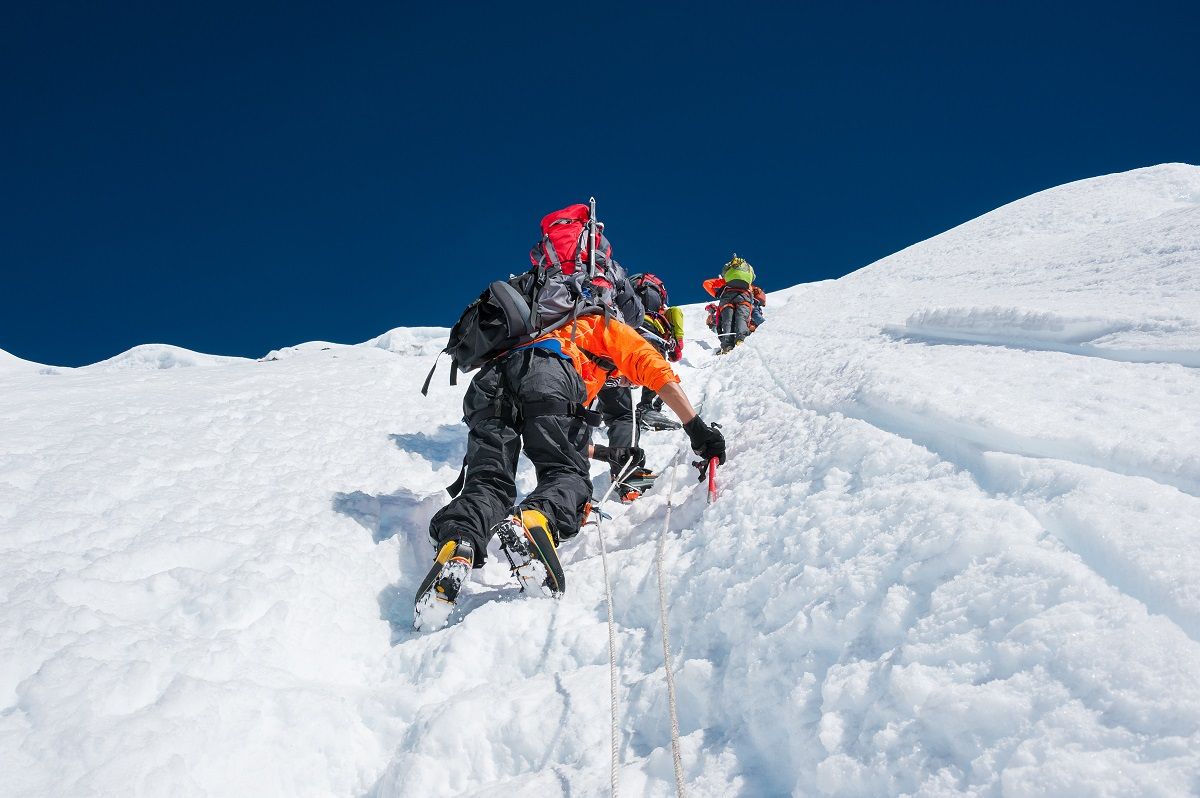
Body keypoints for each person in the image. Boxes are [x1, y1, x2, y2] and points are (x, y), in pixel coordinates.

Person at [415, 275, 726, 632]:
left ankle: (459, 542)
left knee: (488, 480)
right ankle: (536, 521)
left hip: (489, 382)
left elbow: (552, 432)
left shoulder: (554, 333)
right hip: (546, 371)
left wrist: (609, 453)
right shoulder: (606, 326)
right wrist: (698, 431)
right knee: (566, 476)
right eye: (624, 379)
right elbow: (658, 373)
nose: (624, 383)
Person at [703, 254, 758, 353]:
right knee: (742, 316)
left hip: (727, 298)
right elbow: (753, 277)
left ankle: (727, 345)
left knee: (727, 320)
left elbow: (706, 283)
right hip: (744, 296)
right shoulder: (749, 284)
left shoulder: (725, 281)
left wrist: (716, 294)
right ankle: (741, 339)